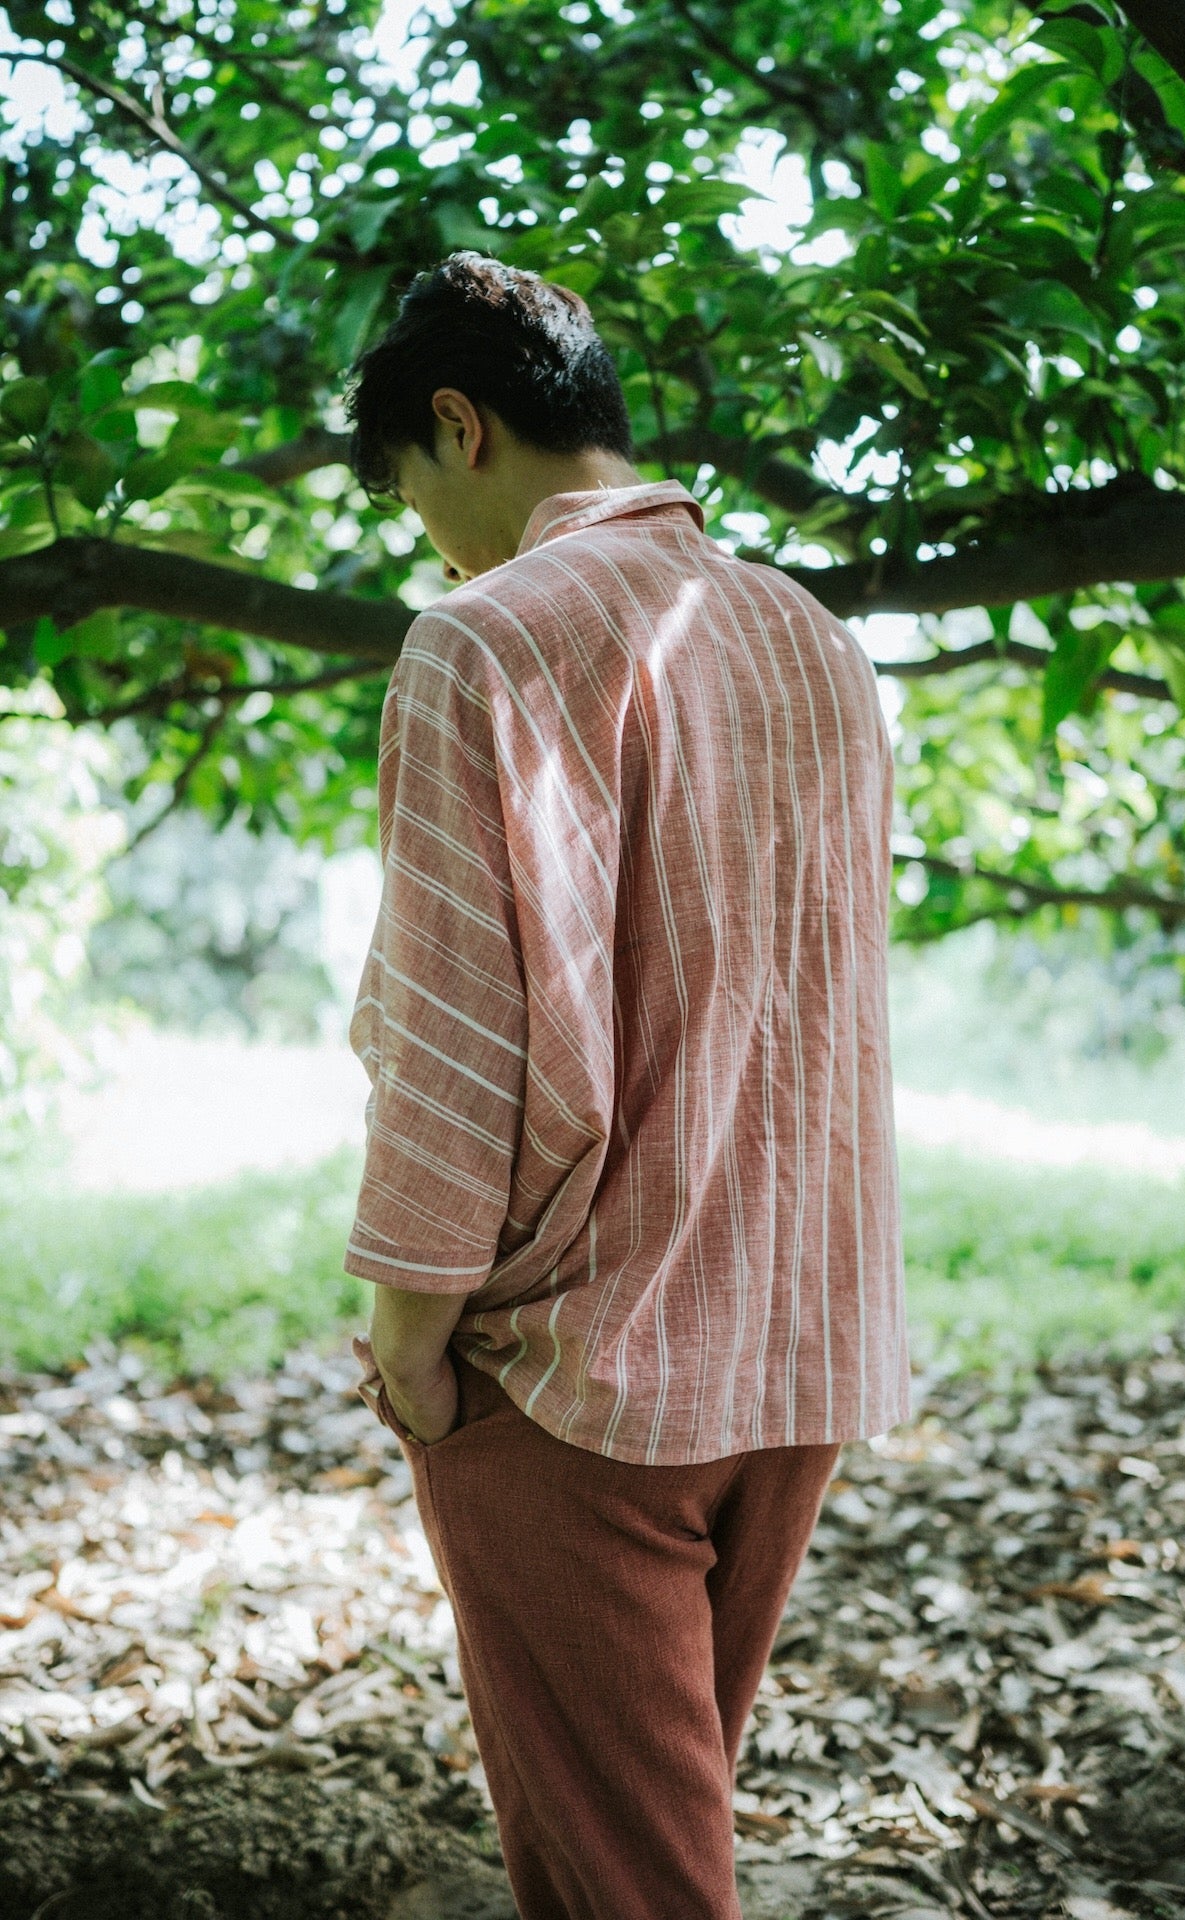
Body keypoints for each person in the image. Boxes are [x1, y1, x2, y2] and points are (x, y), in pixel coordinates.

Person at [343, 250, 908, 1920]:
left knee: (629, 1887)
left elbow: (462, 1030)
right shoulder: (810, 638)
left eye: (409, 493)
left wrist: (410, 1333)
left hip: (587, 1371)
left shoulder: (485, 643)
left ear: (462, 426)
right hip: (795, 1352)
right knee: (668, 1835)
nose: (426, 538)